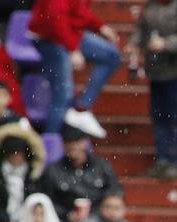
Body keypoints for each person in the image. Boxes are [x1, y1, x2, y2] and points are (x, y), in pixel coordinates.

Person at [131, 0, 177, 179]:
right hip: (157, 69)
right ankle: (163, 159)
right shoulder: (152, 5)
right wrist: (134, 43)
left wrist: (166, 44)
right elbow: (142, 29)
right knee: (159, 117)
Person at [29, 0, 121, 137]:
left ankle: (82, 108)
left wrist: (101, 27)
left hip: (71, 32)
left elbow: (80, 11)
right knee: (63, 94)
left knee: (111, 56)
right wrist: (72, 49)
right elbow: (55, 18)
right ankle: (51, 144)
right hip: (49, 37)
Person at [37, 124, 119, 222]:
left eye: (76, 142)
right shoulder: (53, 171)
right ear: (63, 145)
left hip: (99, 219)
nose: (73, 147)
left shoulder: (101, 166)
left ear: (84, 143)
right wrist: (66, 214)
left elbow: (114, 191)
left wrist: (97, 212)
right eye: (68, 143)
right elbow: (46, 199)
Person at [0, 123, 44, 222]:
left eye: (19, 154)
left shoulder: (34, 177)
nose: (16, 158)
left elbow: (38, 201)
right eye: (12, 154)